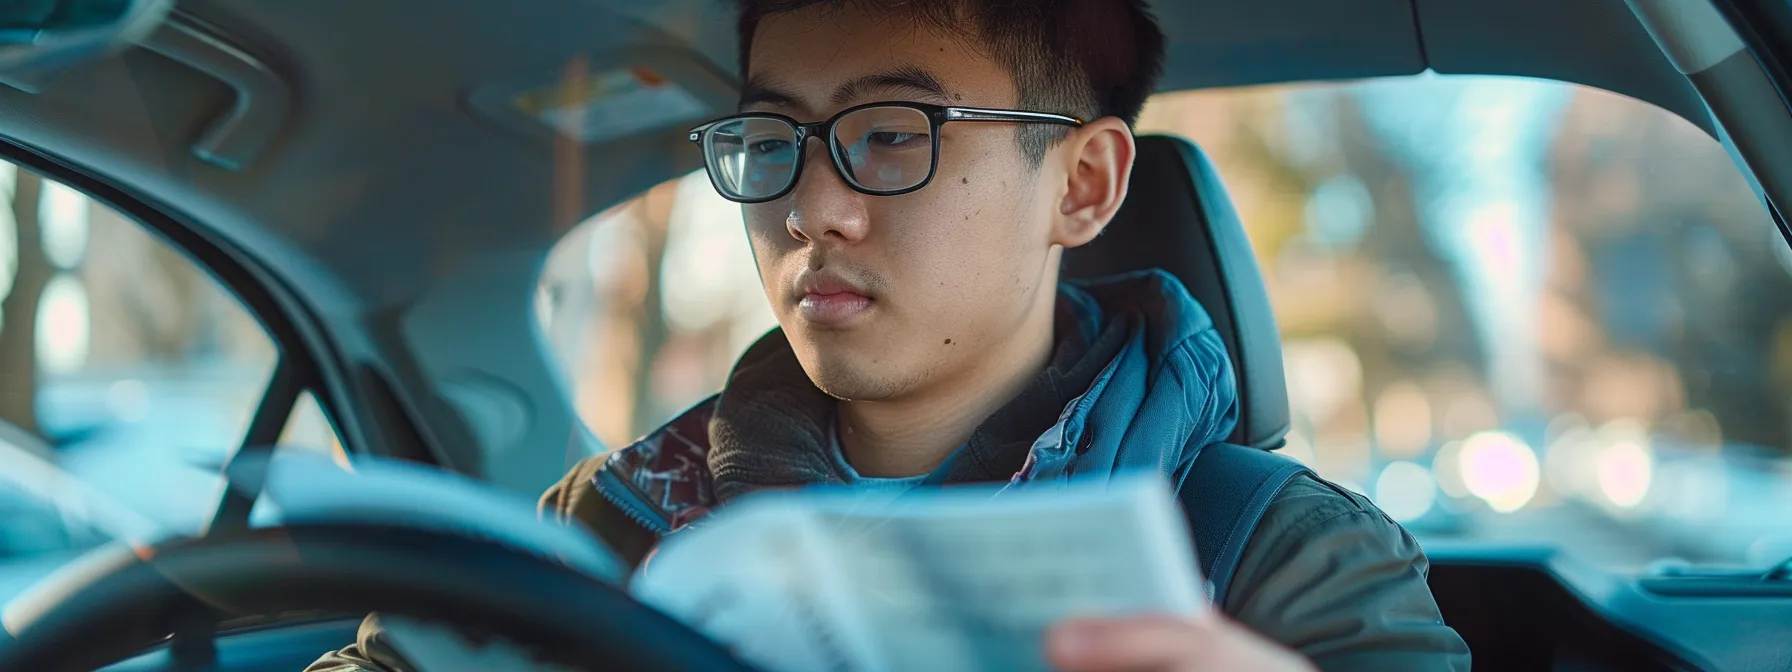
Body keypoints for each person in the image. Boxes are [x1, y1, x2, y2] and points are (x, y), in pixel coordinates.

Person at [310, 0, 1471, 670]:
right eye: (775, 140)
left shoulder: (1281, 559)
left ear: (1081, 185)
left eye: (892, 131)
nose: (811, 205)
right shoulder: (615, 517)